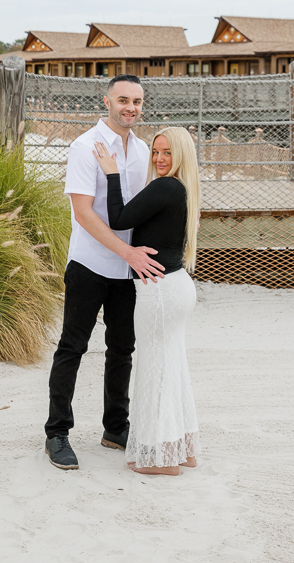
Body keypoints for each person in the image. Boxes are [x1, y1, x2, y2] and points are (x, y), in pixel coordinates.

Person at [44, 75, 165, 471]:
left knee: (122, 350)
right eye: (123, 100)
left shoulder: (144, 149)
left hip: (129, 269)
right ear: (107, 101)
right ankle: (57, 433)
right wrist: (128, 252)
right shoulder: (86, 147)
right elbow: (84, 213)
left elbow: (142, 208)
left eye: (138, 101)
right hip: (90, 263)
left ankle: (116, 428)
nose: (131, 107)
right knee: (72, 347)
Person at [93, 126, 201, 476]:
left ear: (181, 154)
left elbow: (119, 219)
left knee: (156, 371)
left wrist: (112, 173)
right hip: (175, 287)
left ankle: (162, 460)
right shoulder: (184, 189)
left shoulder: (165, 186)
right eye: (156, 152)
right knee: (172, 367)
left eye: (167, 152)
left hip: (159, 292)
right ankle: (181, 450)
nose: (159, 159)